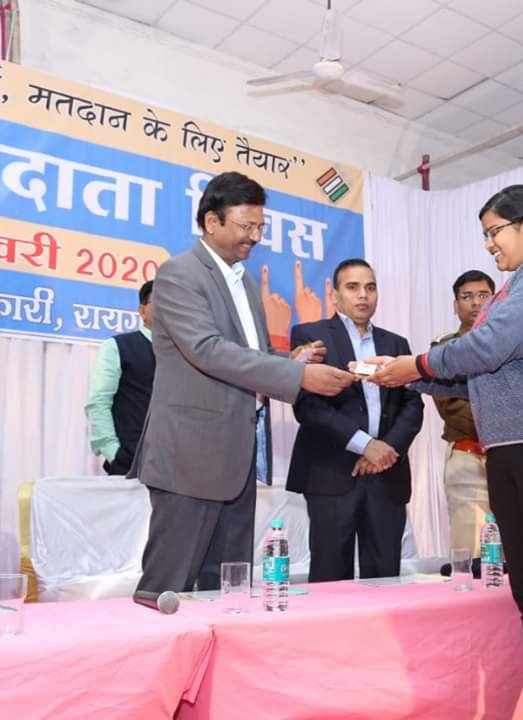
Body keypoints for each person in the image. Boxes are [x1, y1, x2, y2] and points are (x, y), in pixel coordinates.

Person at [367, 184, 523, 720]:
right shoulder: (517, 284)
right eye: (485, 235)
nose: (489, 244)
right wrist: (402, 377)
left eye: (495, 231)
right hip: (513, 452)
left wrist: (415, 364)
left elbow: (489, 347)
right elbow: (482, 373)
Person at [131, 171, 355, 594]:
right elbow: (207, 349)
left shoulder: (246, 282)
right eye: (246, 226)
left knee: (229, 588)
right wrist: (298, 376)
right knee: (168, 587)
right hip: (189, 458)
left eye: (260, 227)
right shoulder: (178, 274)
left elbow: (251, 354)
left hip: (237, 457)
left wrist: (292, 361)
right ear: (211, 221)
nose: (255, 236)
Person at [286, 259, 423, 582]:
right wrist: (365, 445)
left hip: (386, 473)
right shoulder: (311, 336)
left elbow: (413, 405)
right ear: (334, 296)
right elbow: (308, 406)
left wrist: (386, 449)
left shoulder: (395, 343)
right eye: (353, 287)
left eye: (370, 287)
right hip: (332, 473)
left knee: (384, 577)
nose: (363, 295)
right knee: (331, 578)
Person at [431, 270, 494, 557]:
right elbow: (451, 407)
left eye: (483, 295)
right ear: (456, 305)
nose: (476, 303)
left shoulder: (514, 345)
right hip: (468, 455)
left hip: (512, 459)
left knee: (515, 549)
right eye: (467, 297)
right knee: (470, 551)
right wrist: (503, 421)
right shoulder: (444, 349)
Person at [85, 280, 155, 476]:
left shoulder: (185, 353)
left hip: (176, 466)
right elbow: (99, 402)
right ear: (142, 310)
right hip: (130, 462)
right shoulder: (118, 347)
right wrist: (114, 454)